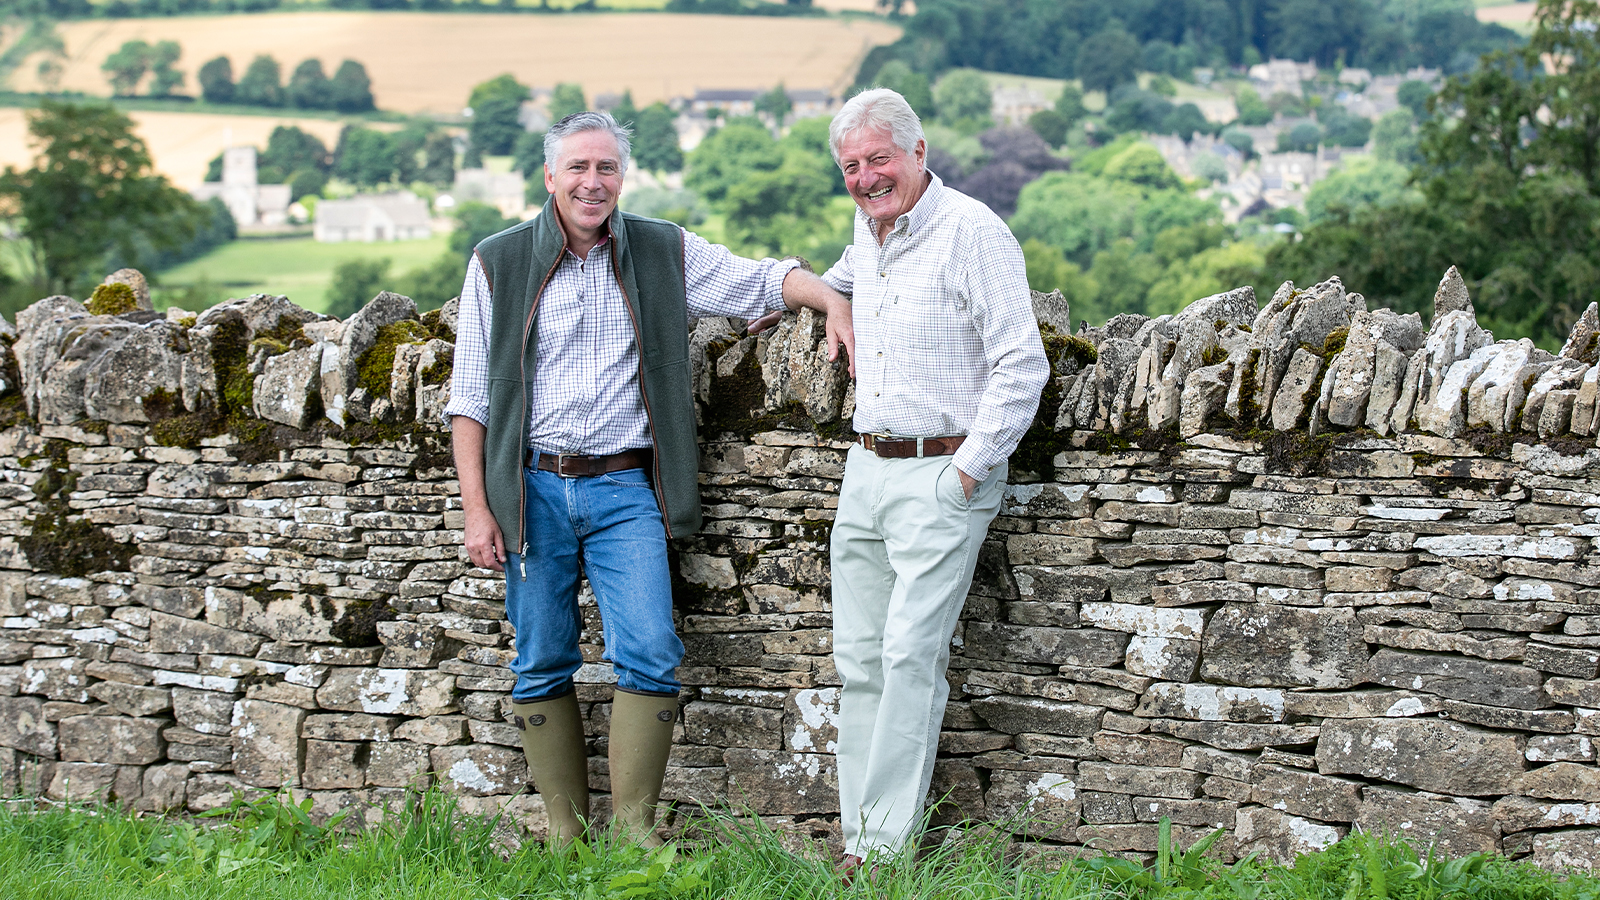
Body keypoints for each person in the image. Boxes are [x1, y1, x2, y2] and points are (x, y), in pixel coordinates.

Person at [444, 111, 852, 848]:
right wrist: (479, 510)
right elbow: (469, 398)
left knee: (652, 653)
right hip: (530, 491)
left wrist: (833, 300)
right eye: (577, 168)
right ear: (550, 177)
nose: (592, 183)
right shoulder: (495, 262)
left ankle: (633, 838)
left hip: (625, 490)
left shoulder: (662, 250)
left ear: (621, 177)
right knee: (540, 659)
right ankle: (566, 838)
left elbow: (758, 279)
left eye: (606, 168)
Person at [818, 88, 1048, 871]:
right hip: (866, 468)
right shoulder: (869, 229)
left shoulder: (972, 232)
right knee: (858, 660)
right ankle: (859, 838)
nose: (865, 177)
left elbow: (1023, 362)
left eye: (878, 158)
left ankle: (880, 854)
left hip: (942, 473)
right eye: (850, 165)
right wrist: (828, 298)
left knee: (911, 656)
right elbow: (845, 274)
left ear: (918, 153)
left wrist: (968, 471)